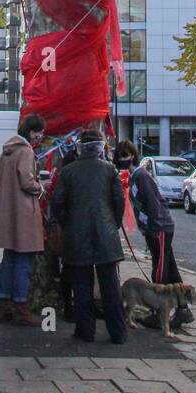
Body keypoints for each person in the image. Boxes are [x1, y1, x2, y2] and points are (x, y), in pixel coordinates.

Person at [50, 127, 128, 345]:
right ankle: (118, 333)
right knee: (111, 287)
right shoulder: (109, 170)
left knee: (81, 286)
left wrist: (68, 223)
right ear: (100, 148)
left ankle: (86, 331)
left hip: (77, 235)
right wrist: (114, 223)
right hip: (106, 233)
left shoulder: (68, 172)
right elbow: (119, 201)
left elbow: (58, 203)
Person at [114, 139, 194, 331]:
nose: (123, 159)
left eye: (125, 155)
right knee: (170, 269)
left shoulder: (141, 176)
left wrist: (154, 227)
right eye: (120, 156)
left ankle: (158, 311)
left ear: (133, 155)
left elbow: (152, 203)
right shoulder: (135, 176)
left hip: (160, 228)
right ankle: (183, 309)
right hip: (156, 227)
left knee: (159, 269)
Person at [0, 113, 46, 327]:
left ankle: (4, 306)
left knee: (10, 259)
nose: (41, 137)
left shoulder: (8, 151)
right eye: (39, 132)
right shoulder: (26, 151)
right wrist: (42, 186)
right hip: (23, 214)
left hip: (8, 213)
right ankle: (21, 308)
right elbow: (27, 182)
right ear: (31, 132)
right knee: (24, 261)